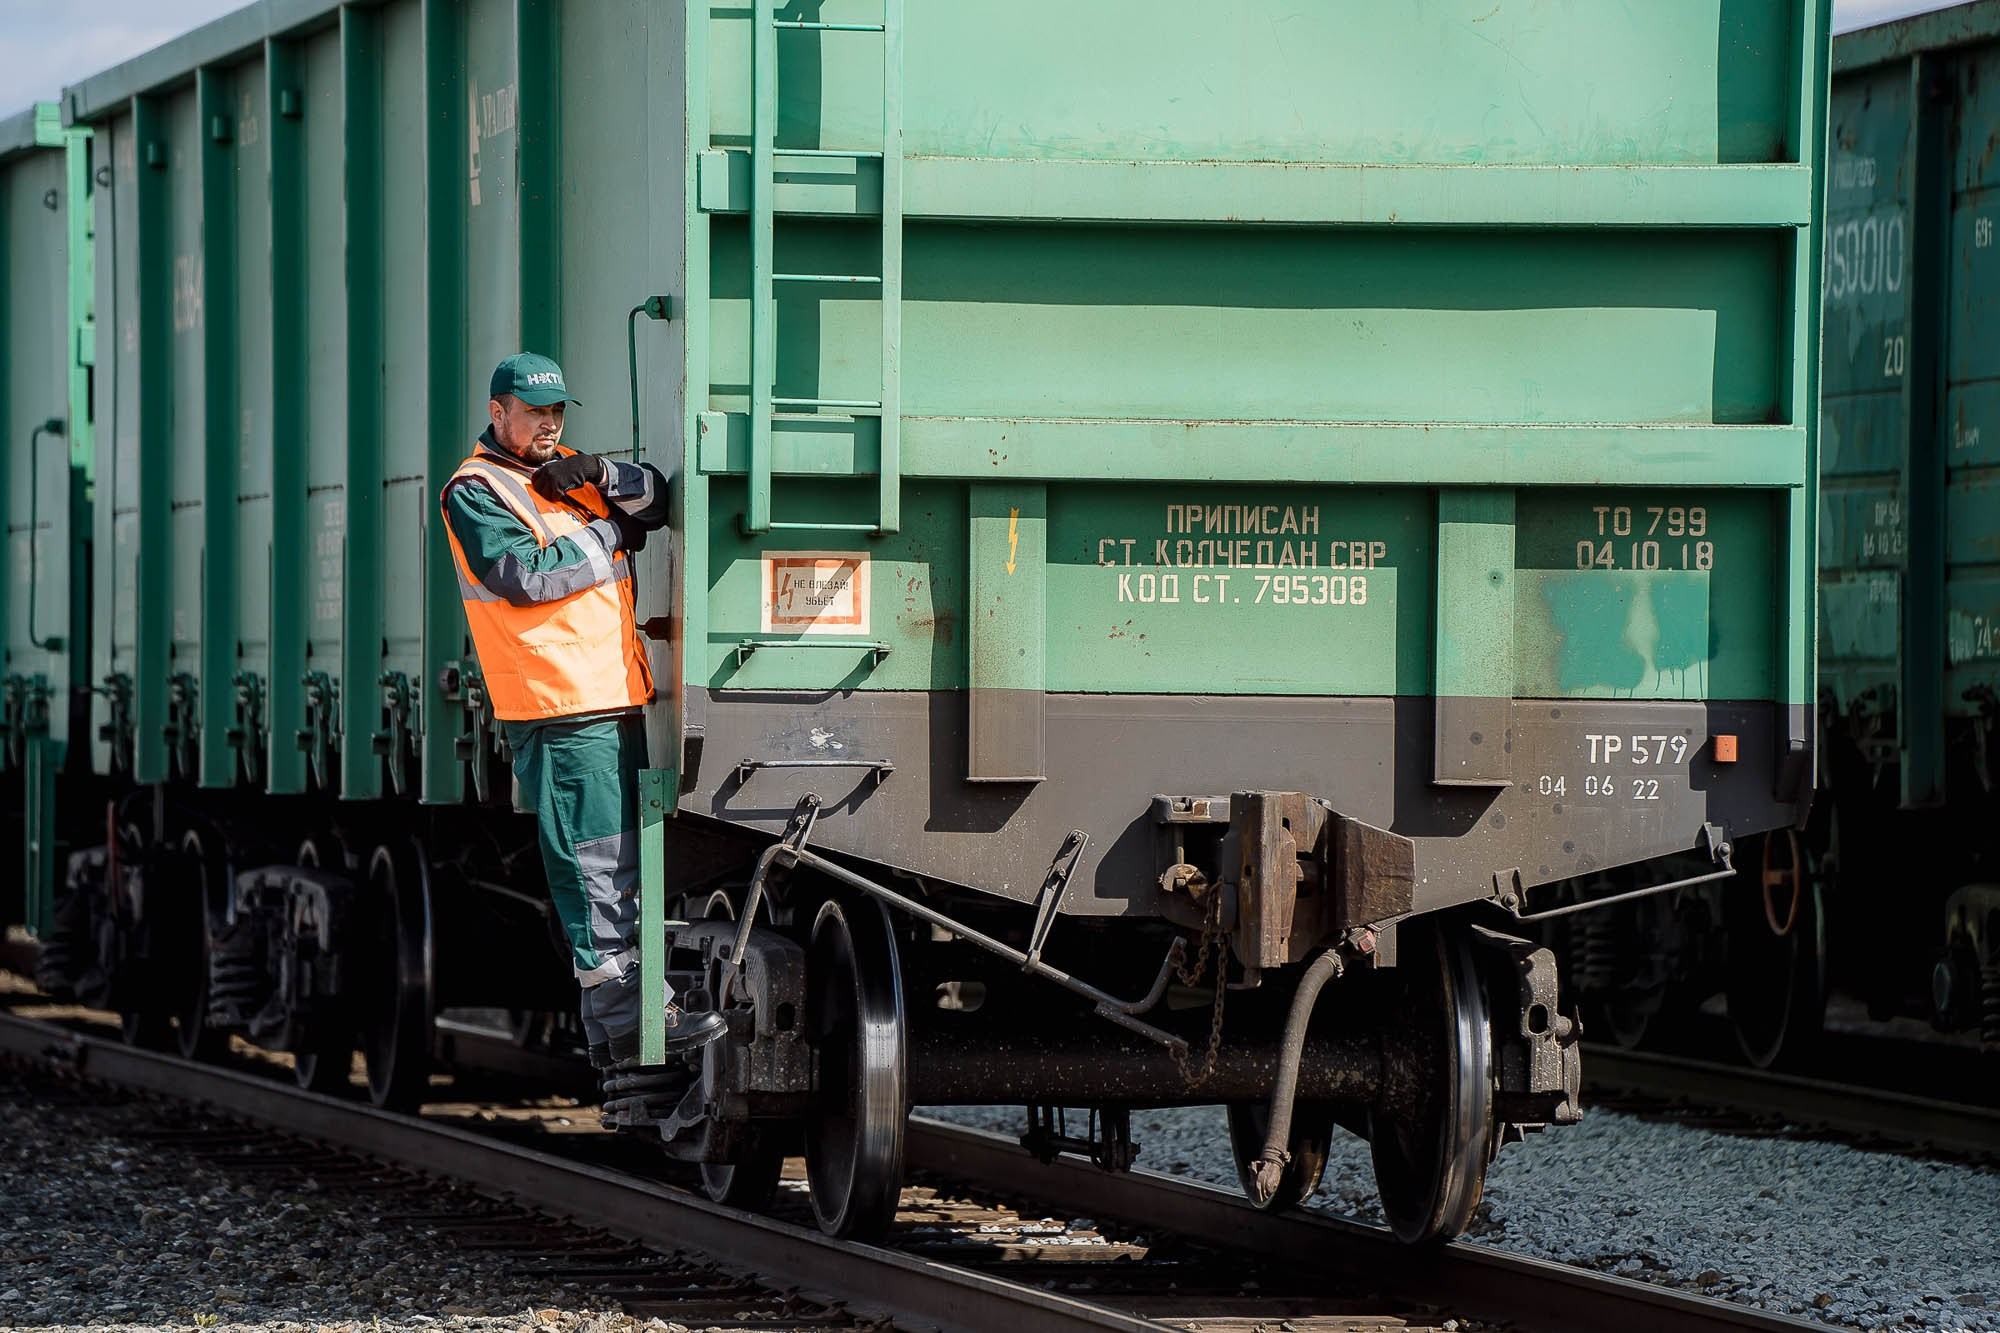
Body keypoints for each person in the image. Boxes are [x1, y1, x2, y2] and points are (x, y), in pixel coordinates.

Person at [440, 352, 723, 1072]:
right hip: (559, 706)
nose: (549, 424)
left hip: (606, 697)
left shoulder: (563, 471)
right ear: (498, 412)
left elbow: (656, 500)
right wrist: (608, 535)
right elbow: (525, 578)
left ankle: (620, 1027)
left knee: (619, 866)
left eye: (558, 412)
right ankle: (632, 1026)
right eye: (535, 412)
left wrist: (599, 473)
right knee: (596, 872)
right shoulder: (474, 490)